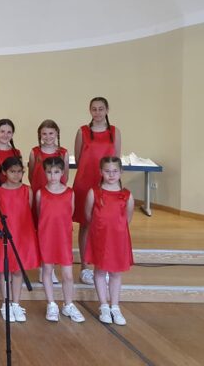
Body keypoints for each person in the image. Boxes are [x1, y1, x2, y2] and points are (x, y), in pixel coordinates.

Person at [73, 97, 121, 285]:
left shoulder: (115, 132)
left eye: (101, 109)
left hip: (107, 185)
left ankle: (103, 264)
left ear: (107, 110)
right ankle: (85, 267)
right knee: (86, 224)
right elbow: (79, 159)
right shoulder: (82, 131)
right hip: (85, 182)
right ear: (90, 111)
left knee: (106, 225)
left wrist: (112, 183)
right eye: (94, 109)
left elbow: (116, 161)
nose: (98, 112)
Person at [0, 157, 40, 322]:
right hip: (4, 235)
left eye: (19, 172)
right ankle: (6, 304)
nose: (16, 175)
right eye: (12, 171)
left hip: (22, 235)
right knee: (5, 270)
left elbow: (28, 211)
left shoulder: (27, 191)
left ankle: (16, 303)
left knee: (18, 271)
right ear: (4, 172)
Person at [85, 156, 134, 326]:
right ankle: (104, 306)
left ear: (121, 172)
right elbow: (88, 215)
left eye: (115, 171)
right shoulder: (94, 193)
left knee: (116, 273)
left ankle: (115, 306)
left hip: (118, 239)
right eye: (107, 171)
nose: (111, 175)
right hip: (101, 237)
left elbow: (127, 218)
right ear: (101, 172)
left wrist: (117, 229)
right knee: (100, 271)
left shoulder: (126, 195)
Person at [35, 157, 85, 323]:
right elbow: (39, 214)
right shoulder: (40, 193)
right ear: (45, 173)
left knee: (68, 275)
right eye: (49, 172)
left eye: (56, 172)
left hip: (63, 238)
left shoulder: (70, 193)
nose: (52, 176)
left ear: (62, 173)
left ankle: (68, 304)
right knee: (47, 271)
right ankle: (51, 304)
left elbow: (70, 213)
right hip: (46, 237)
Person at [28, 119, 68, 285]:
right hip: (40, 196)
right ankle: (42, 267)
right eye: (44, 134)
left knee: (53, 233)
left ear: (57, 133)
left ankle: (50, 267)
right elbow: (31, 174)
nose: (48, 136)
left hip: (56, 198)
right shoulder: (35, 152)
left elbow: (65, 176)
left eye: (51, 133)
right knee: (40, 231)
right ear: (39, 135)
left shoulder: (63, 153)